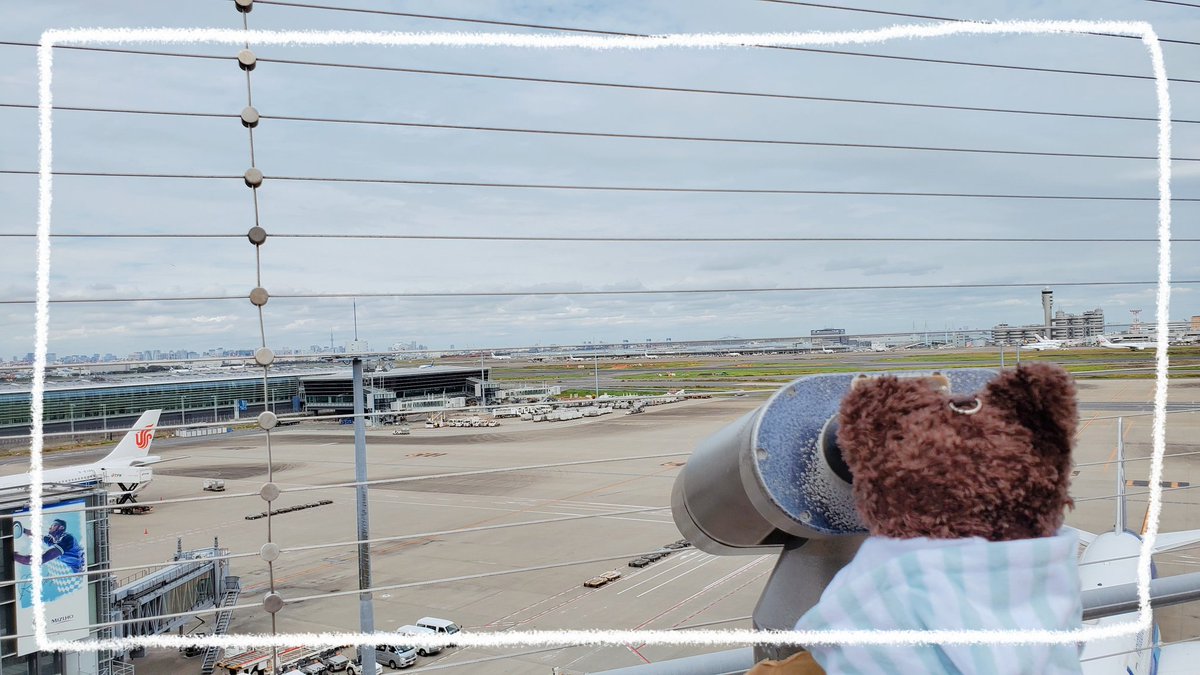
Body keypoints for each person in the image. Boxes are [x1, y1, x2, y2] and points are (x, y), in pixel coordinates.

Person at [14, 518, 86, 574]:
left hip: (83, 567)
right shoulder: (54, 540)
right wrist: (23, 530)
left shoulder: (67, 539)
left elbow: (41, 559)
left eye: (54, 525)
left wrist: (16, 557)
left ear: (61, 528)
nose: (50, 527)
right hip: (78, 570)